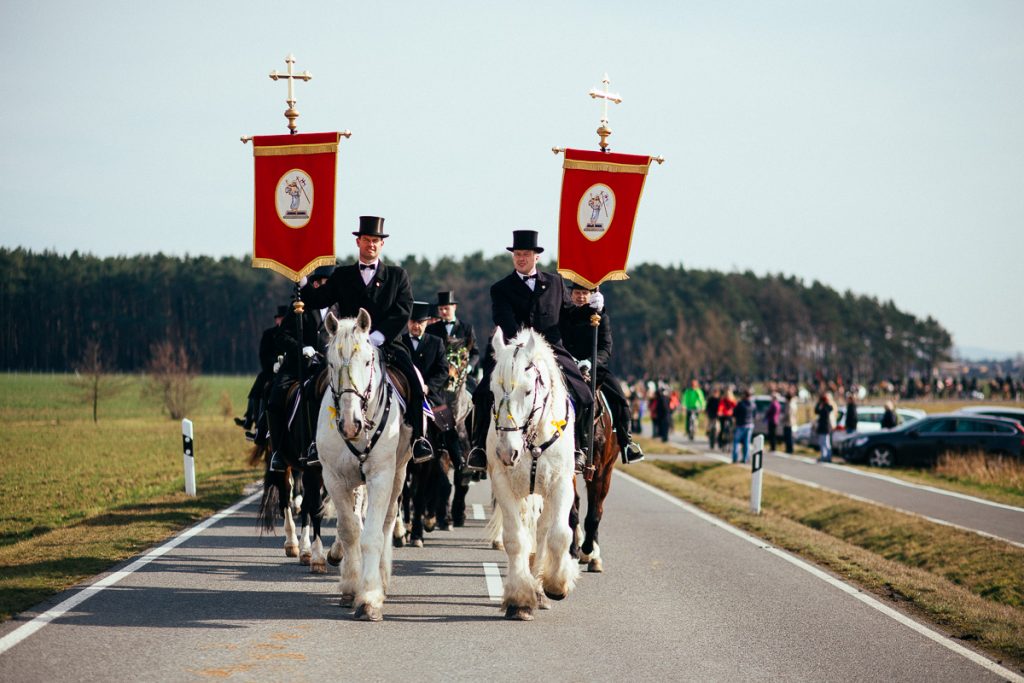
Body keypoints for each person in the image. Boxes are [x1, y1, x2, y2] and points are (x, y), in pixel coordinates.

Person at [298, 216, 433, 463]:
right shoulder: (342, 275)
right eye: (366, 240)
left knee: (414, 381)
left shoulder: (397, 275)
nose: (371, 244)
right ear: (358, 242)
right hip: (349, 349)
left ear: (381, 245)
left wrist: (376, 336)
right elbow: (317, 300)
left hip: (388, 344)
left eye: (375, 241)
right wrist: (302, 280)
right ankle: (314, 444)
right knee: (313, 386)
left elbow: (403, 309)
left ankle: (419, 440)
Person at [464, 230, 594, 474]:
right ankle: (479, 449)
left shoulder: (555, 283)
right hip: (514, 350)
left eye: (526, 254)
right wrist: (522, 347)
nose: (521, 258)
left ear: (537, 257)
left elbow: (569, 315)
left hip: (551, 349)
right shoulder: (501, 288)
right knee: (481, 395)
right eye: (517, 254)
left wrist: (590, 308)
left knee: (584, 394)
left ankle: (579, 447)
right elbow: (504, 320)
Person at [558, 281, 643, 463]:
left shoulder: (600, 317)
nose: (581, 296)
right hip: (566, 366)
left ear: (591, 295)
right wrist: (570, 360)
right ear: (571, 295)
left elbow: (605, 347)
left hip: (595, 367)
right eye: (577, 293)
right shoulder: (563, 315)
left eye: (585, 293)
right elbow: (557, 341)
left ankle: (626, 443)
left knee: (620, 399)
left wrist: (589, 362)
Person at [266, 266, 335, 472]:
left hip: (328, 367)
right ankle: (278, 451)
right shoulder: (300, 304)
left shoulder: (340, 309)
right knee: (275, 396)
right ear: (316, 284)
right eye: (327, 284)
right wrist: (301, 348)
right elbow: (281, 336)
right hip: (299, 366)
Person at [402, 301, 455, 531]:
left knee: (446, 423)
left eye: (421, 323)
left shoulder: (436, 342)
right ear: (408, 323)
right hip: (403, 396)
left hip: (428, 397)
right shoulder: (400, 343)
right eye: (413, 322)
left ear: (426, 323)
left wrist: (428, 387)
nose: (417, 327)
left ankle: (458, 455)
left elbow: (443, 370)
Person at [235, 304, 287, 437]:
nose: (282, 321)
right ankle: (252, 419)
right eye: (280, 318)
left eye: (284, 318)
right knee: (259, 387)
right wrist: (274, 364)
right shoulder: (269, 334)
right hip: (271, 370)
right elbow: (263, 354)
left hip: (287, 369)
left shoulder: (292, 333)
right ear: (277, 320)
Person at [425, 290, 479, 391]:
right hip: (437, 375)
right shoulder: (431, 329)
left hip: (461, 374)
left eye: (446, 308)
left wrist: (468, 368)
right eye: (441, 309)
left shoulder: (467, 328)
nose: (443, 312)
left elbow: (475, 353)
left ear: (454, 307)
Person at [732, 389, 755, 464]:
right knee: (747, 443)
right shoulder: (753, 404)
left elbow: (734, 414)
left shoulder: (740, 404)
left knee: (736, 441)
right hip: (750, 425)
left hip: (741, 425)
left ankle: (735, 458)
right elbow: (754, 415)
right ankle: (745, 459)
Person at [814, 392, 835, 462]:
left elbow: (831, 408)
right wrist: (819, 403)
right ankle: (824, 456)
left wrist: (827, 401)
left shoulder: (827, 407)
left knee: (826, 443)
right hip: (822, 428)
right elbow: (816, 411)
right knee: (822, 443)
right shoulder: (821, 406)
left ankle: (827, 457)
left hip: (826, 428)